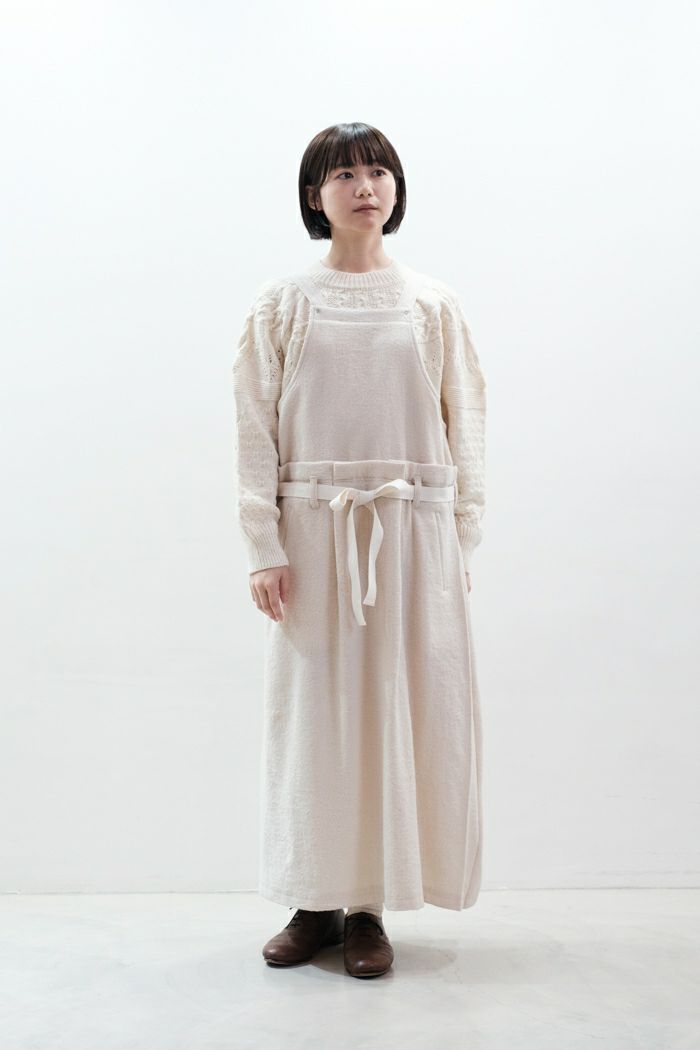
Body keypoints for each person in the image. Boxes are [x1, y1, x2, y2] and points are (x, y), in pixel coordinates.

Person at [232, 122, 487, 979]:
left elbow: (465, 423)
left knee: (397, 709)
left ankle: (370, 905)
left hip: (412, 533)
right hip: (314, 534)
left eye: (378, 170)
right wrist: (264, 544)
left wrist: (460, 537)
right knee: (317, 716)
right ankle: (314, 900)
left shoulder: (432, 304)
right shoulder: (283, 304)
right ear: (316, 196)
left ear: (396, 188)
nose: (364, 186)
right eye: (344, 174)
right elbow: (254, 430)